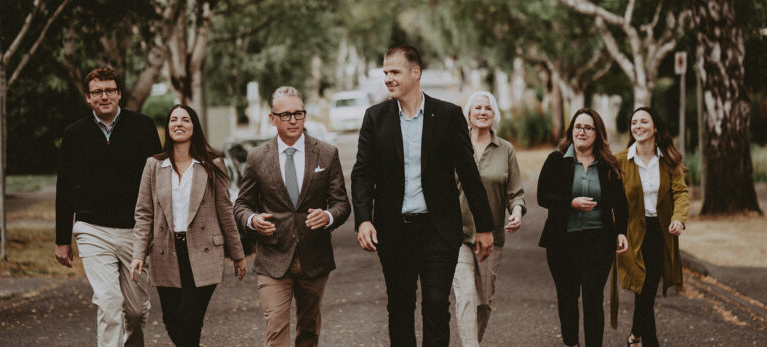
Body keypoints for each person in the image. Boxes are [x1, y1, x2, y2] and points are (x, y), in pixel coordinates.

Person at [351, 45, 495, 347]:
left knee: (435, 305)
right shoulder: (375, 118)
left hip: (438, 230)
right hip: (393, 231)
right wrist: (363, 220)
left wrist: (484, 226)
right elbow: (362, 173)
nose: (388, 78)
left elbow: (469, 174)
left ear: (415, 73)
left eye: (395, 72)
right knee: (399, 308)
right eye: (385, 72)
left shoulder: (448, 115)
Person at [234, 86, 351, 347]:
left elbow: (342, 204)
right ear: (272, 118)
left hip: (314, 256)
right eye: (286, 115)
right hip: (273, 258)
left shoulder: (326, 153)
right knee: (276, 329)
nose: (293, 120)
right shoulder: (256, 158)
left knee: (309, 330)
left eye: (298, 113)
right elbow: (241, 205)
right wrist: (252, 221)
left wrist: (329, 217)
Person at [54, 67, 161, 347]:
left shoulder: (143, 127)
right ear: (88, 98)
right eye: (97, 92)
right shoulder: (74, 134)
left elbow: (159, 182)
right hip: (93, 230)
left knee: (137, 312)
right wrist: (62, 240)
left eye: (110, 90)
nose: (104, 96)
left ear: (119, 94)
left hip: (134, 231)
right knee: (109, 302)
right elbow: (64, 188)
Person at [128, 104, 246, 347]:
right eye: (173, 119)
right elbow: (144, 214)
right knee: (172, 319)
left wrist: (238, 255)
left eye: (185, 119)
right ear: (168, 127)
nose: (178, 123)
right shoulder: (154, 165)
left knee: (191, 319)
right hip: (165, 252)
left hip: (204, 251)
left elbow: (225, 211)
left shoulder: (212, 164)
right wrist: (138, 253)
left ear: (194, 127)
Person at [537, 108, 629, 347]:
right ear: (571, 131)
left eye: (588, 127)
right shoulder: (557, 161)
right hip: (562, 242)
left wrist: (620, 232)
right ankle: (572, 344)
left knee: (592, 298)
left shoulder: (608, 165)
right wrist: (570, 203)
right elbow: (542, 196)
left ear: (597, 133)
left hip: (598, 243)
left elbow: (621, 203)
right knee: (567, 297)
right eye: (578, 127)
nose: (582, 131)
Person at [452, 91, 526, 346]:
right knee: (466, 297)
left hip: (491, 237)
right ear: (469, 115)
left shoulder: (505, 149)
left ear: (494, 115)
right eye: (477, 108)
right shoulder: (455, 146)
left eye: (488, 108)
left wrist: (516, 212)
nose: (482, 112)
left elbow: (515, 193)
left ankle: (472, 341)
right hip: (458, 235)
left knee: (483, 302)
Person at [616, 107, 689, 347]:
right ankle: (650, 342)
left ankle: (636, 336)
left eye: (643, 121)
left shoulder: (669, 159)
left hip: (660, 232)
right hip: (631, 234)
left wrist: (678, 218)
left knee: (647, 290)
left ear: (655, 127)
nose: (637, 126)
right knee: (642, 286)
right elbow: (611, 198)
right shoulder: (620, 161)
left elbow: (680, 192)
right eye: (634, 122)